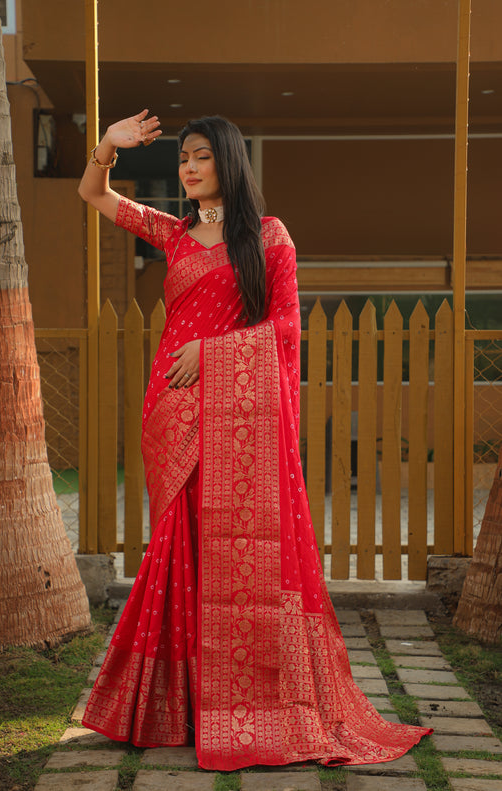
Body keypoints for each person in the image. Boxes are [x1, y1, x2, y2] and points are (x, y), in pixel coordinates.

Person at [78, 110, 431, 771]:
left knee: (236, 554)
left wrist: (213, 352)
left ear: (230, 163)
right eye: (182, 157)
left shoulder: (268, 236)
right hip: (172, 408)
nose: (187, 168)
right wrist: (107, 146)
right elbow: (95, 196)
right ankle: (175, 705)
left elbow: (286, 328)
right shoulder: (174, 234)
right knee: (177, 548)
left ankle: (248, 703)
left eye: (201, 156)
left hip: (233, 412)